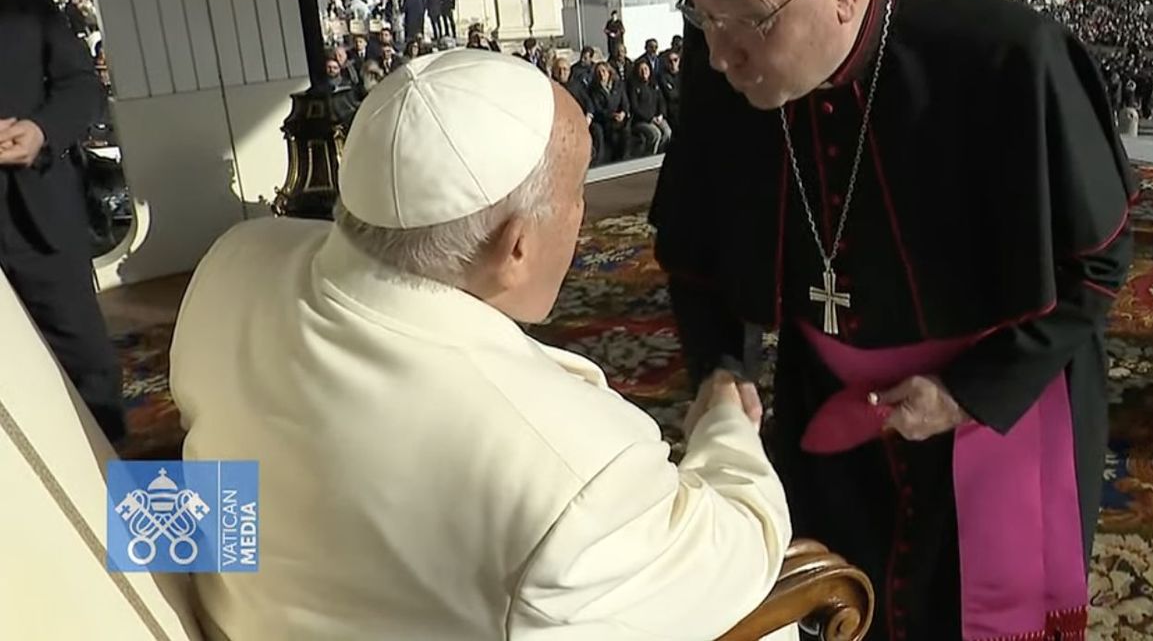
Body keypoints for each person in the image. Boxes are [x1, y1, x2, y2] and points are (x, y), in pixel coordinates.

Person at [652, 0, 1134, 641]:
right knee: (844, 597)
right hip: (825, 406)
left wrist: (968, 390)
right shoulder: (728, 64)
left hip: (989, 400)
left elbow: (1098, 261)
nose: (719, 54)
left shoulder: (1006, 56)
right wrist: (721, 363)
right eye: (703, 15)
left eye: (746, 16)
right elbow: (697, 244)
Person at [169, 50, 791, 640]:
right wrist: (726, 427)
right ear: (514, 247)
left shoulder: (233, 263)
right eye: (578, 193)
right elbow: (739, 547)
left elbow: (212, 488)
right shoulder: (574, 473)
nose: (580, 210)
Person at [0, 0, 124, 443]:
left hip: (36, 217)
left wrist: (40, 130)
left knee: (91, 373)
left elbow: (79, 85)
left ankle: (112, 507)